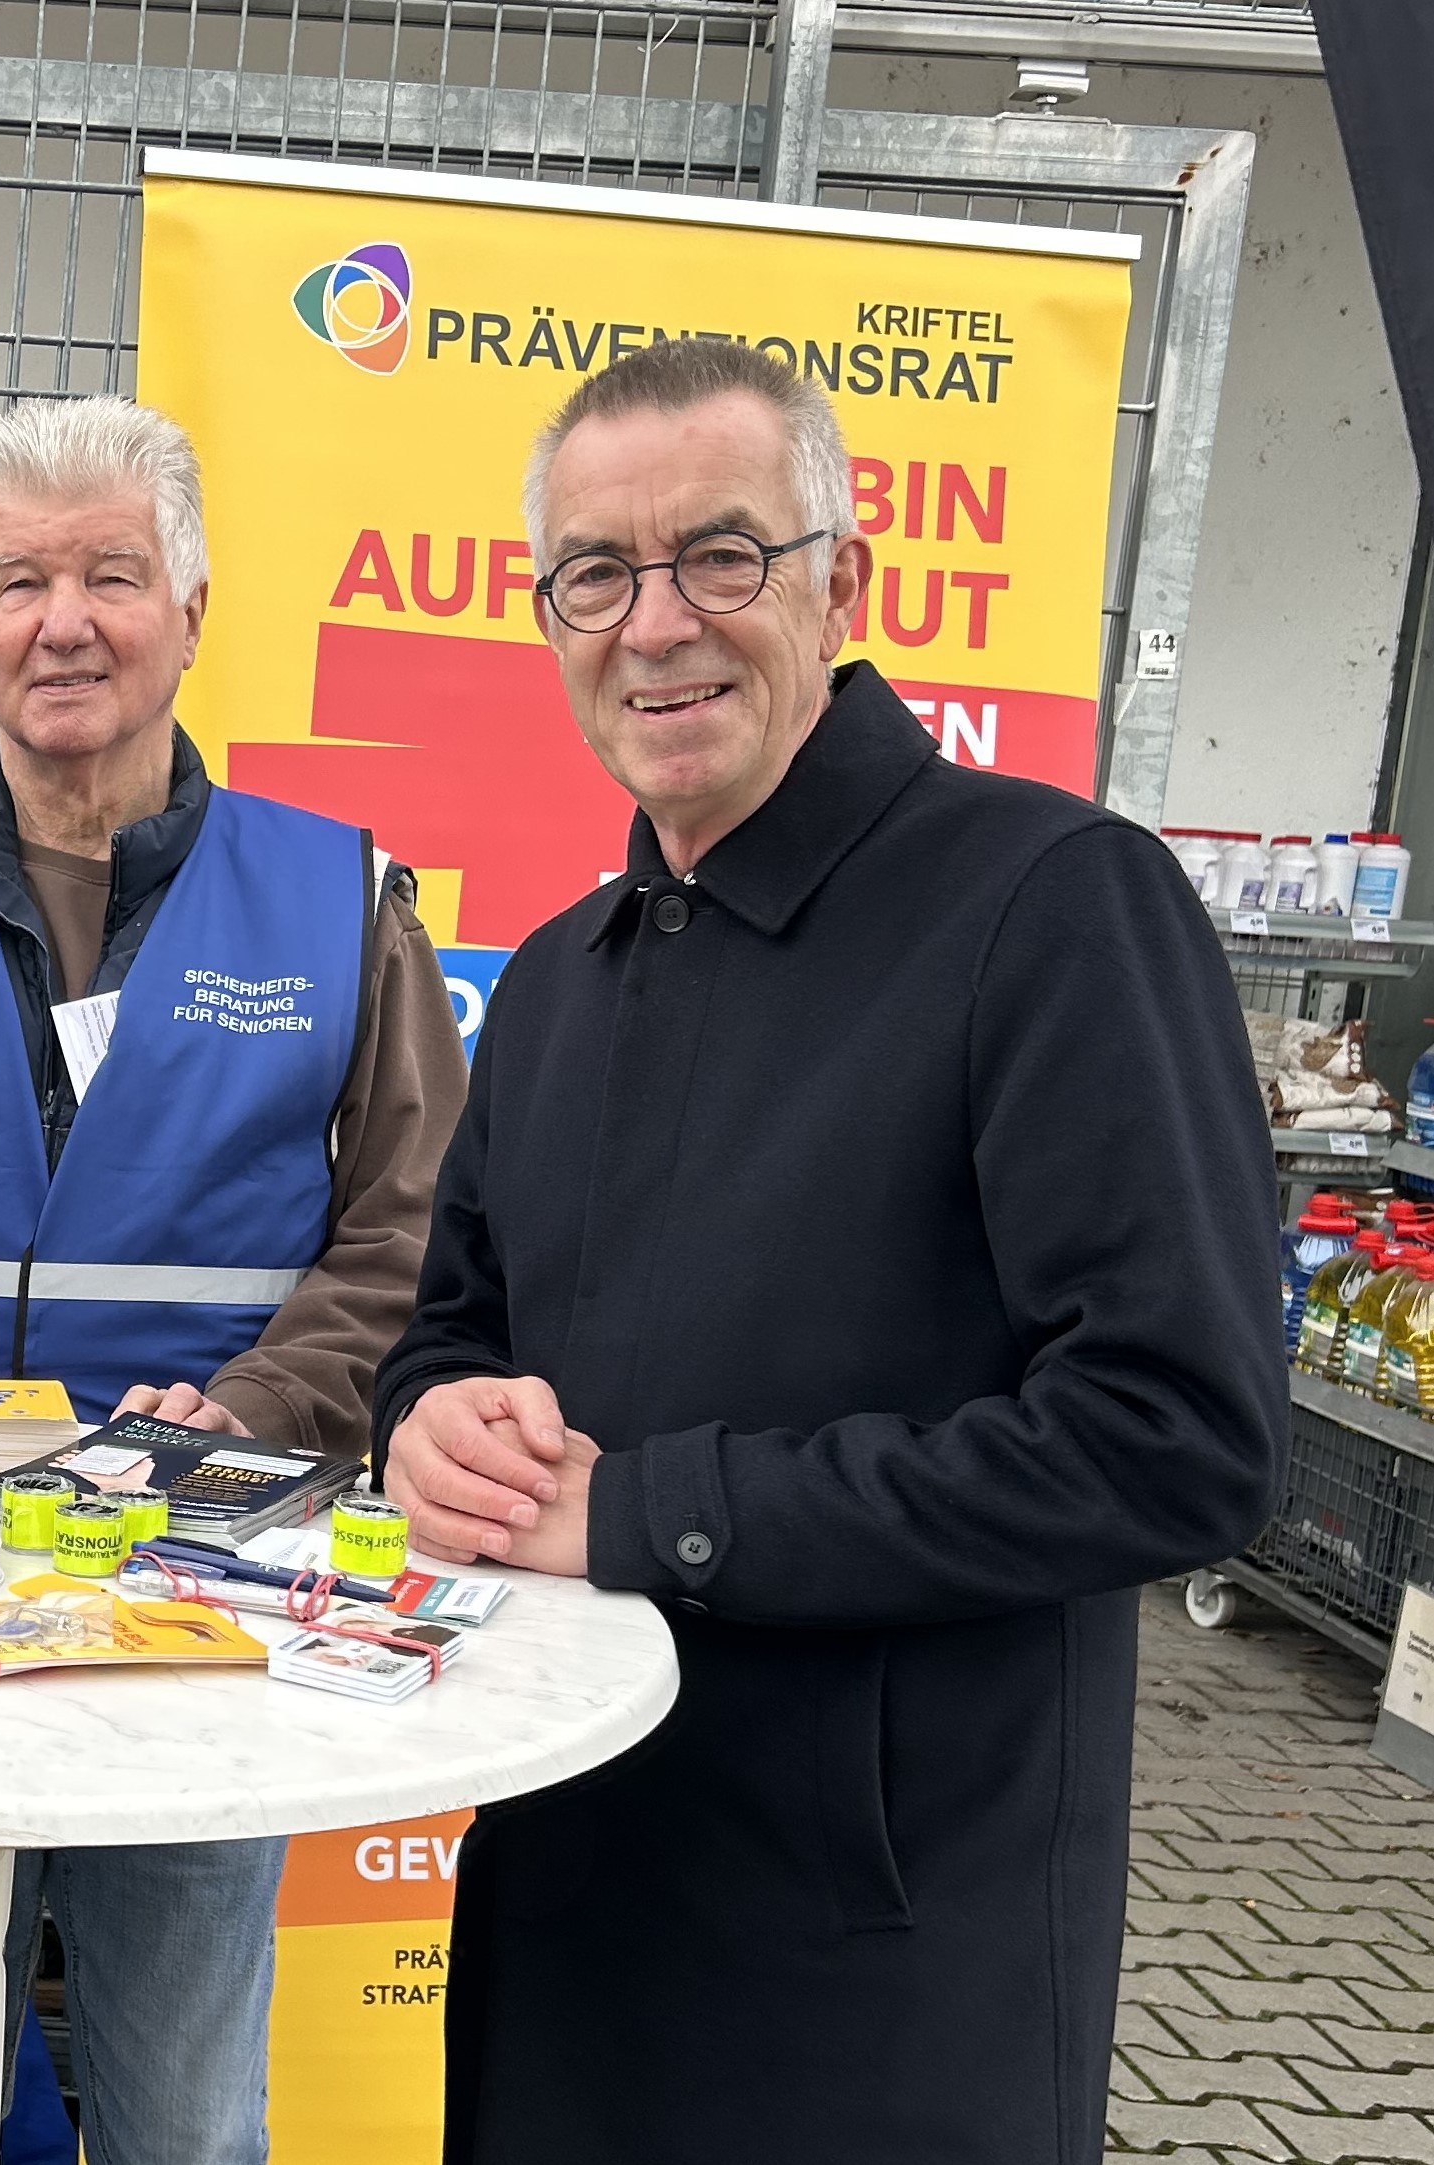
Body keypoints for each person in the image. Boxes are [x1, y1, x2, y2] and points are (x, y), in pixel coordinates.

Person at [369, 337, 1284, 2165]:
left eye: (720, 555)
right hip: (567, 1884)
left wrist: (649, 1512)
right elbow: (452, 1329)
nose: (653, 625)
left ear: (838, 584)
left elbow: (1174, 1435)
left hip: (878, 1952)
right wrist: (433, 1424)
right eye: (594, 574)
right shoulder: (555, 975)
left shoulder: (1050, 906)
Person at [0, 395, 469, 2164]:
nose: (64, 620)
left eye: (111, 573)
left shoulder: (337, 899)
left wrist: (246, 1414)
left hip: (201, 1579)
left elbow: (411, 1232)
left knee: (179, 2106)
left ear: (190, 608)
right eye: (19, 579)